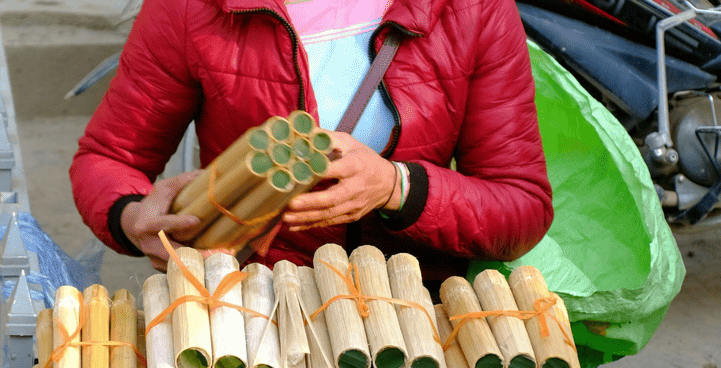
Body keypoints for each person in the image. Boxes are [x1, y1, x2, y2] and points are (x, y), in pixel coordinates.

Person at [70, 0, 553, 279]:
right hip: (248, 320)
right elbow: (108, 156)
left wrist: (396, 187)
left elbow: (521, 206)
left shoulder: (472, 9)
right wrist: (132, 215)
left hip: (415, 339)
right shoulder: (193, 8)